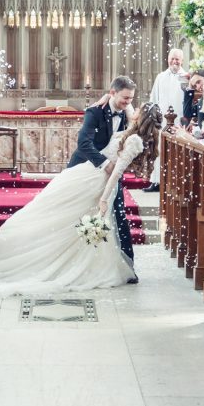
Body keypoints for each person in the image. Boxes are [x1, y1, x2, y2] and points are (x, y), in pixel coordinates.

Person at [0, 101, 162, 297]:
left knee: (66, 219)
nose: (133, 108)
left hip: (96, 183)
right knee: (51, 210)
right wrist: (108, 96)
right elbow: (127, 105)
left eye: (139, 109)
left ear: (142, 118)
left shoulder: (134, 141)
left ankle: (59, 262)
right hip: (85, 175)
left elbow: (115, 173)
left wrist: (104, 199)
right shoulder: (132, 131)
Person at [68, 76, 139, 273]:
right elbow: (83, 143)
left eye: (131, 99)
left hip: (112, 174)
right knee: (76, 213)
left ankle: (128, 267)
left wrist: (113, 167)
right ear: (112, 93)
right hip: (85, 168)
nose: (128, 102)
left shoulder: (127, 112)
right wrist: (105, 164)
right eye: (125, 98)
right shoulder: (94, 112)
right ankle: (72, 262)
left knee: (119, 213)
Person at [146, 49, 188, 190]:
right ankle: (157, 181)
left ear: (182, 60)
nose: (175, 61)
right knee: (159, 151)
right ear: (168, 59)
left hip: (179, 122)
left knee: (177, 152)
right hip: (162, 121)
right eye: (172, 58)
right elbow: (154, 98)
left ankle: (175, 183)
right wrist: (153, 117)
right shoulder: (161, 76)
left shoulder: (186, 77)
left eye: (177, 59)